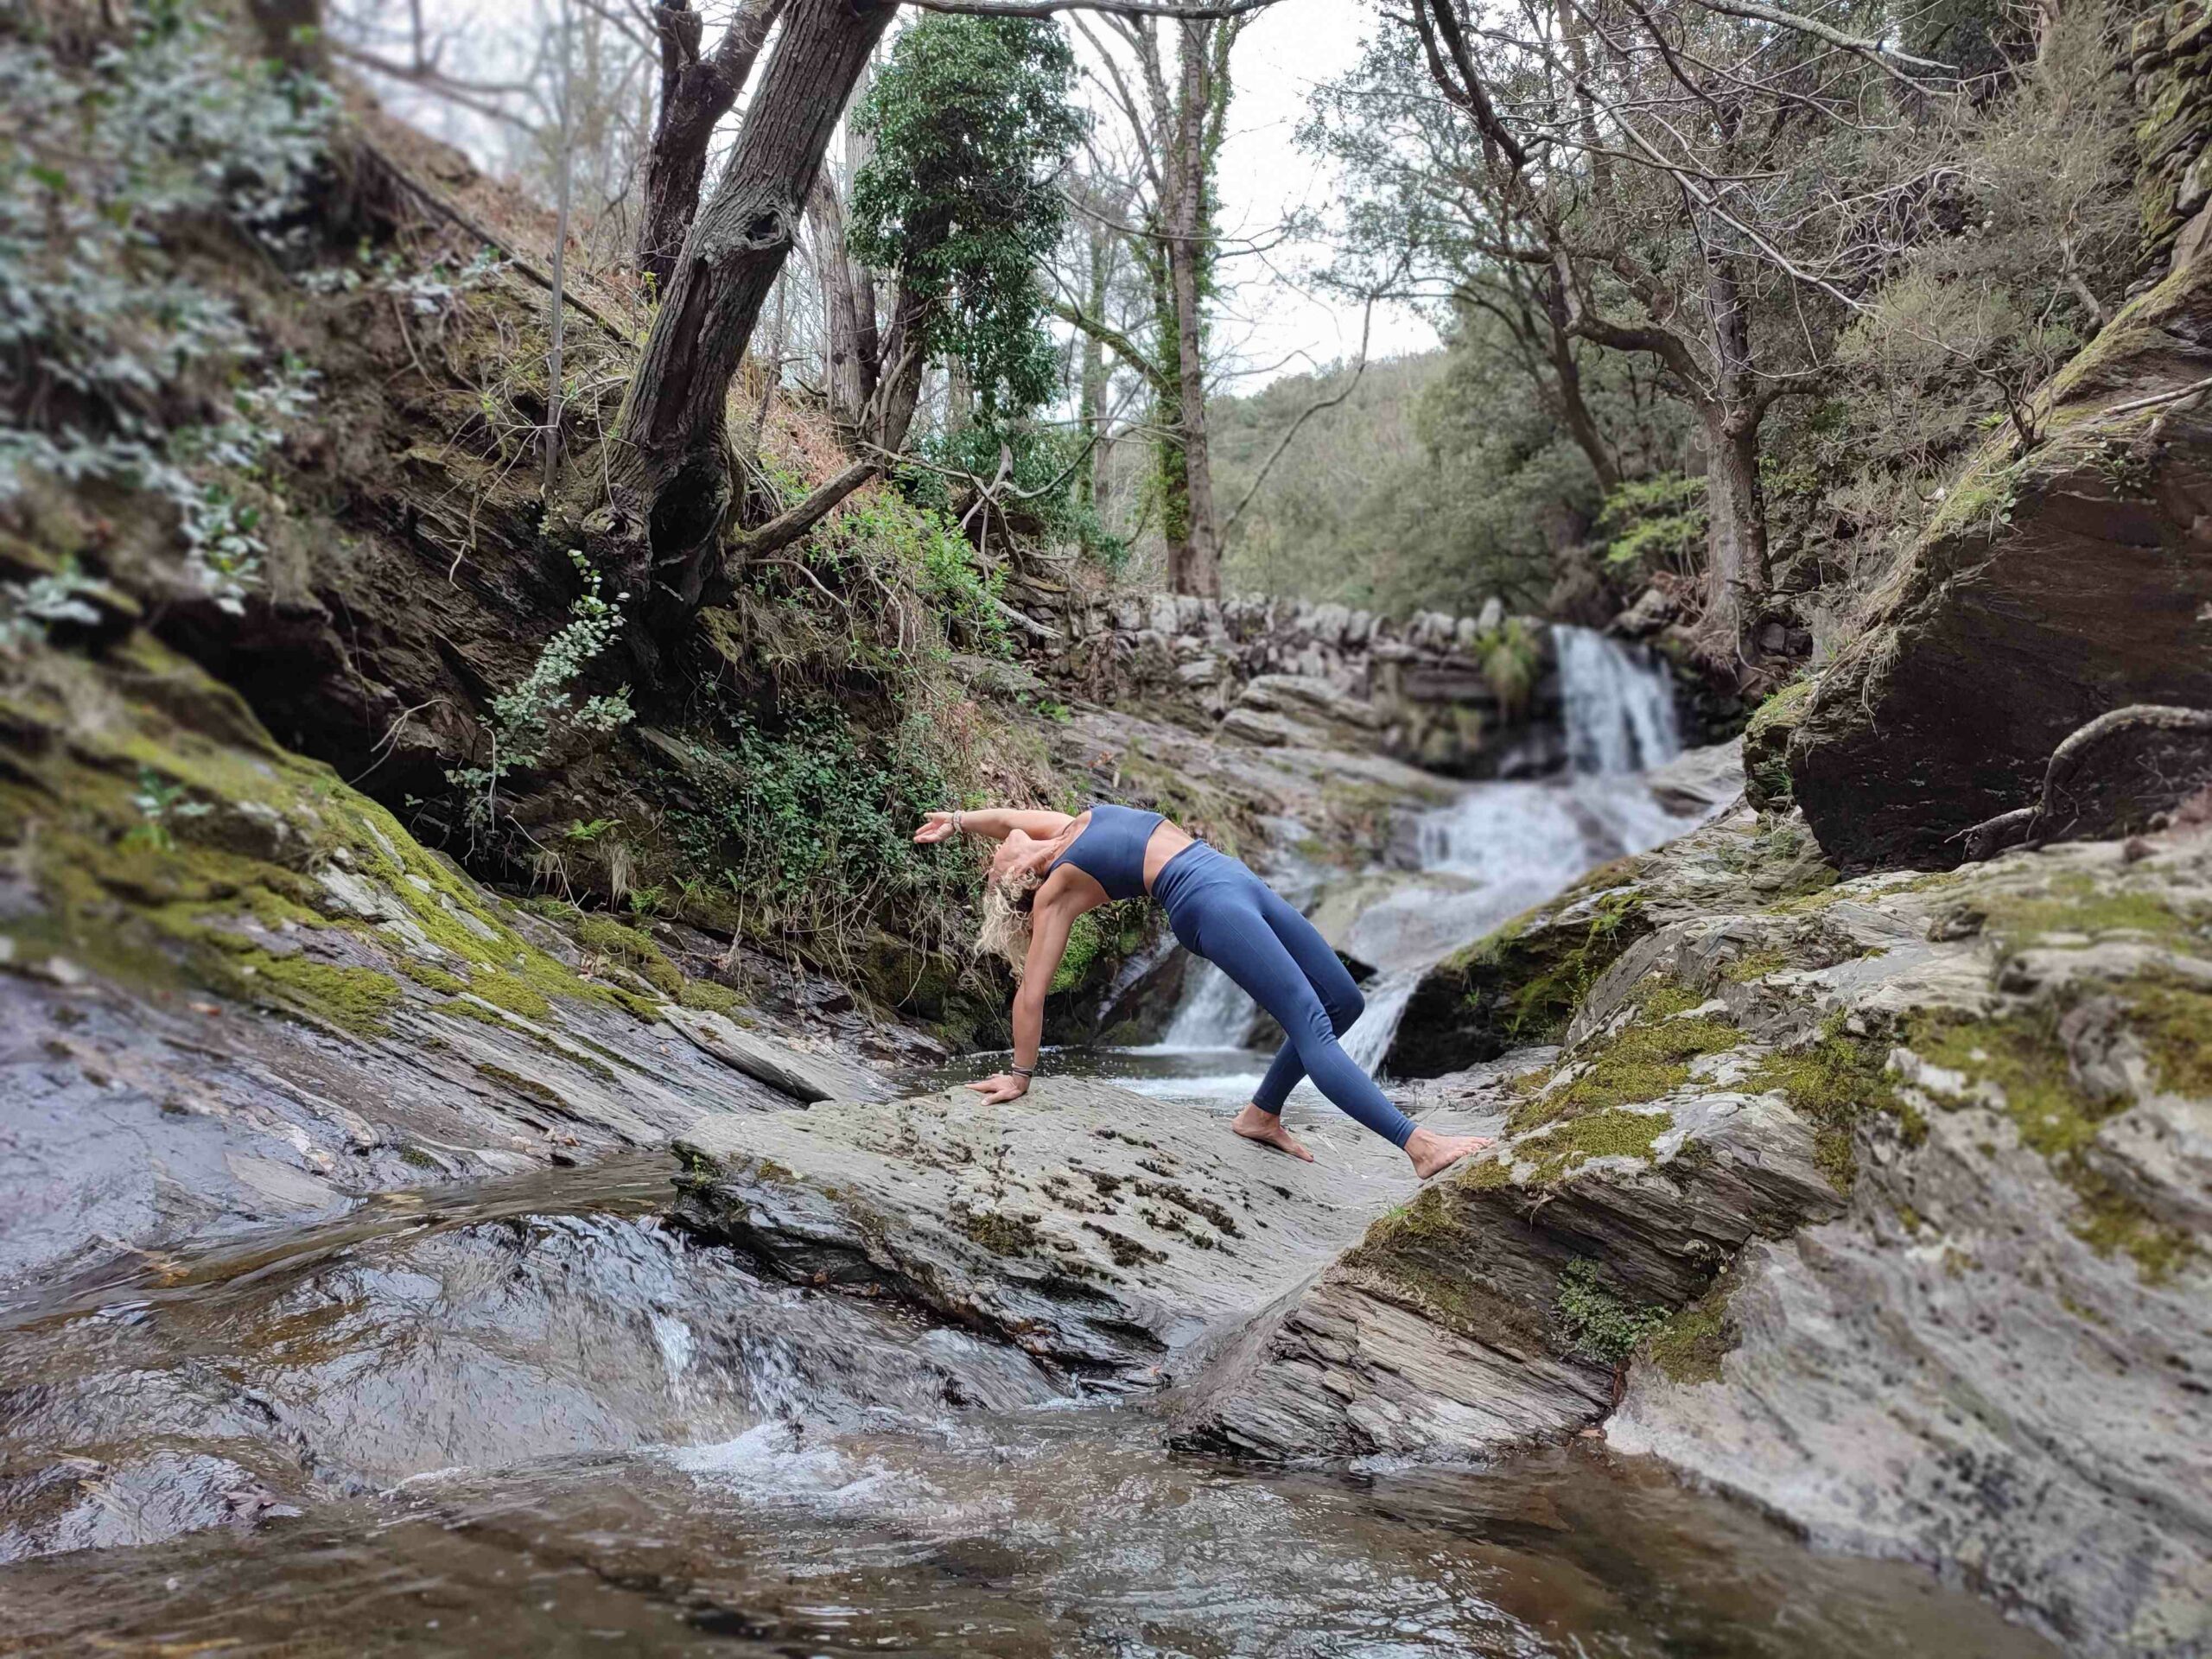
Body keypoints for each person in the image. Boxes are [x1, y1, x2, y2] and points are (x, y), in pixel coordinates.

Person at [914, 804, 1493, 1179]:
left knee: (1345, 1001)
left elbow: (1007, 819)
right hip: (1203, 902)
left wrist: (960, 820)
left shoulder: (1067, 827)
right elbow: (1032, 993)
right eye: (995, 864)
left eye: (996, 852)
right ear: (1020, 879)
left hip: (1231, 875)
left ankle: (1261, 1114)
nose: (996, 853)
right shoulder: (1055, 892)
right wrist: (1019, 1074)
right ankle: (1417, 1146)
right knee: (1310, 1022)